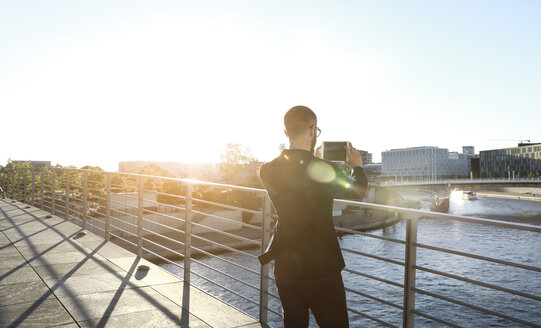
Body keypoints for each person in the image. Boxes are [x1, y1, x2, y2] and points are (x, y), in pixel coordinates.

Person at [258, 105, 368, 327]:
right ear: (312, 130)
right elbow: (358, 192)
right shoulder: (324, 168)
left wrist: (310, 158)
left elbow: (298, 176)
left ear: (286, 132)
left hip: (286, 264)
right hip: (322, 266)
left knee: (294, 323)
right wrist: (356, 167)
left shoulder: (267, 170)